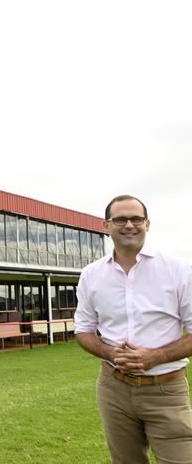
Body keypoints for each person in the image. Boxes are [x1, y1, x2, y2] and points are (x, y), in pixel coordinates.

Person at [74, 194, 192, 463]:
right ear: (106, 226)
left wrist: (155, 357)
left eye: (136, 219)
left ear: (147, 224)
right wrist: (112, 354)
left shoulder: (179, 270)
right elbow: (83, 330)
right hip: (114, 389)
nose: (129, 224)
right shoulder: (91, 275)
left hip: (166, 389)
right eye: (120, 219)